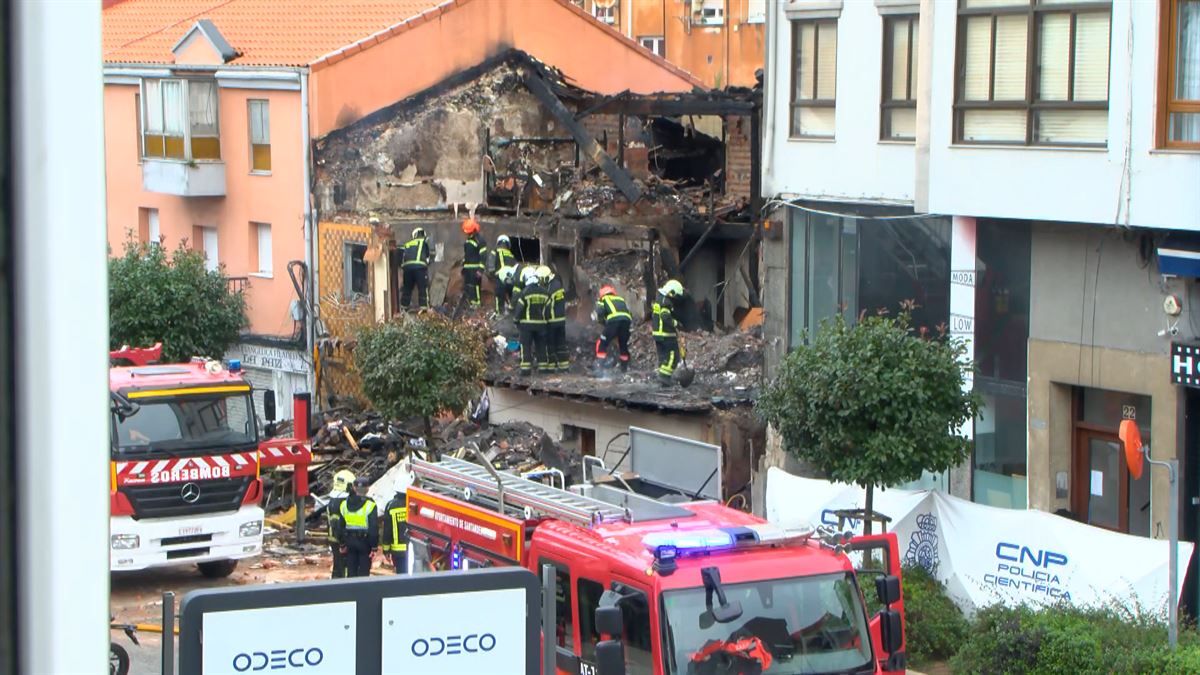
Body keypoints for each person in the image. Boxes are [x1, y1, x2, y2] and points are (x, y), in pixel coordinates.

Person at [335, 476, 378, 578]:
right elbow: (373, 528)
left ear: (354, 488)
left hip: (349, 542)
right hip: (364, 543)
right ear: (368, 489)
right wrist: (374, 547)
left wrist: (342, 544)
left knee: (351, 570)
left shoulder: (344, 504)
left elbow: (340, 526)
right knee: (364, 572)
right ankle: (362, 593)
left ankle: (350, 592)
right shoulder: (370, 505)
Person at [513, 267, 551, 376]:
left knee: (526, 346)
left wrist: (516, 320)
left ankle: (525, 370)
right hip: (541, 326)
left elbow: (519, 309)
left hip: (527, 326)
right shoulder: (545, 293)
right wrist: (546, 320)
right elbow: (548, 310)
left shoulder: (524, 293)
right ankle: (543, 368)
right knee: (541, 346)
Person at [652, 279, 685, 385]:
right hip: (666, 335)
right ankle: (664, 377)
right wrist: (675, 323)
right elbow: (665, 316)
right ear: (672, 292)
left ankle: (663, 378)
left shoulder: (659, 299)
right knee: (673, 356)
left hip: (658, 335)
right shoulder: (666, 302)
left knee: (663, 358)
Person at [594, 285, 632, 373]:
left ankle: (599, 369)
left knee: (602, 343)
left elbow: (600, 312)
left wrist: (603, 323)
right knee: (623, 345)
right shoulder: (620, 299)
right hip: (626, 321)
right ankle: (624, 370)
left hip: (614, 321)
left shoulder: (603, 299)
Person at [325, 469, 354, 579]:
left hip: (333, 538)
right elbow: (338, 525)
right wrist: (343, 543)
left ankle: (334, 590)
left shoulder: (332, 501)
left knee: (337, 565)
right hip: (340, 540)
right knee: (343, 567)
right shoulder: (343, 503)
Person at [539, 265, 569, 372]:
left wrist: (541, 318)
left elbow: (547, 306)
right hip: (561, 320)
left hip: (551, 321)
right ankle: (564, 367)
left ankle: (551, 367)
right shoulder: (558, 285)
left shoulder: (551, 289)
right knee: (561, 344)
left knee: (550, 344)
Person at [400, 227, 430, 310]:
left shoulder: (407, 244)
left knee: (407, 289)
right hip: (419, 268)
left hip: (407, 269)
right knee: (422, 288)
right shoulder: (423, 242)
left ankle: (403, 308)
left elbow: (402, 256)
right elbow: (427, 258)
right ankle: (424, 309)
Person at [486, 235, 517, 313]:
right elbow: (516, 266)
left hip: (500, 277)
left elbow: (491, 264)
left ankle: (499, 313)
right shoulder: (511, 255)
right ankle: (512, 312)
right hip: (511, 278)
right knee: (512, 296)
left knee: (499, 296)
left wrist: (491, 274)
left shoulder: (495, 251)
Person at [381, 490, 409, 574]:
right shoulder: (413, 503)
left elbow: (387, 530)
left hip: (397, 551)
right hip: (412, 549)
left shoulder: (391, 506)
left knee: (401, 575)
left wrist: (386, 550)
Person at [461, 218, 487, 308]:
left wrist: (480, 269)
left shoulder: (480, 240)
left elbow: (483, 256)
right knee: (467, 286)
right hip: (468, 268)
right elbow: (467, 254)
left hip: (475, 268)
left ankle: (476, 304)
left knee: (475, 286)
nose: (467, 233)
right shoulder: (468, 239)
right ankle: (468, 303)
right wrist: (464, 266)